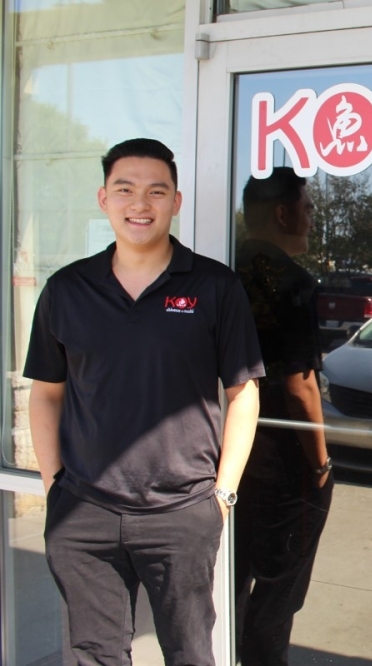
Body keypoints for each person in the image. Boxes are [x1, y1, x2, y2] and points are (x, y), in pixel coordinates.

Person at [24, 137, 264, 665]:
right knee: (95, 655)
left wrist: (221, 497)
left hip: (181, 512)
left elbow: (244, 392)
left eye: (156, 191)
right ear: (103, 198)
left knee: (189, 653)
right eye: (125, 189)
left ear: (176, 201)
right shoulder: (67, 290)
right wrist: (55, 487)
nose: (140, 204)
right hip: (84, 513)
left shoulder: (214, 287)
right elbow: (45, 395)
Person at [234, 167, 334, 666]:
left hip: (228, 457)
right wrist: (320, 465)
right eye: (308, 206)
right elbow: (300, 387)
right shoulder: (292, 283)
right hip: (280, 465)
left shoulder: (223, 271)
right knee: (276, 592)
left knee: (229, 583)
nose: (311, 217)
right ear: (282, 212)